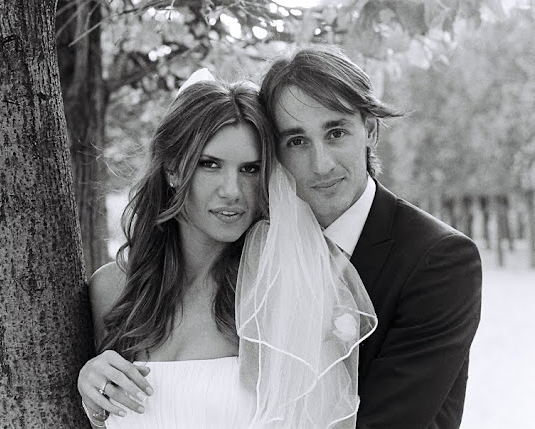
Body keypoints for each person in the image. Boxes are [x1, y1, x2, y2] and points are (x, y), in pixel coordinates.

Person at [77, 69, 377, 428]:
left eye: (250, 169)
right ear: (173, 169)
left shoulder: (283, 293)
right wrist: (90, 390)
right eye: (210, 165)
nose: (232, 190)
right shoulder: (111, 291)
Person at [259, 46, 483, 428]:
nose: (321, 163)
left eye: (336, 132)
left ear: (371, 131)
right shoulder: (258, 251)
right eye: (296, 141)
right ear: (276, 154)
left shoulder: (440, 260)